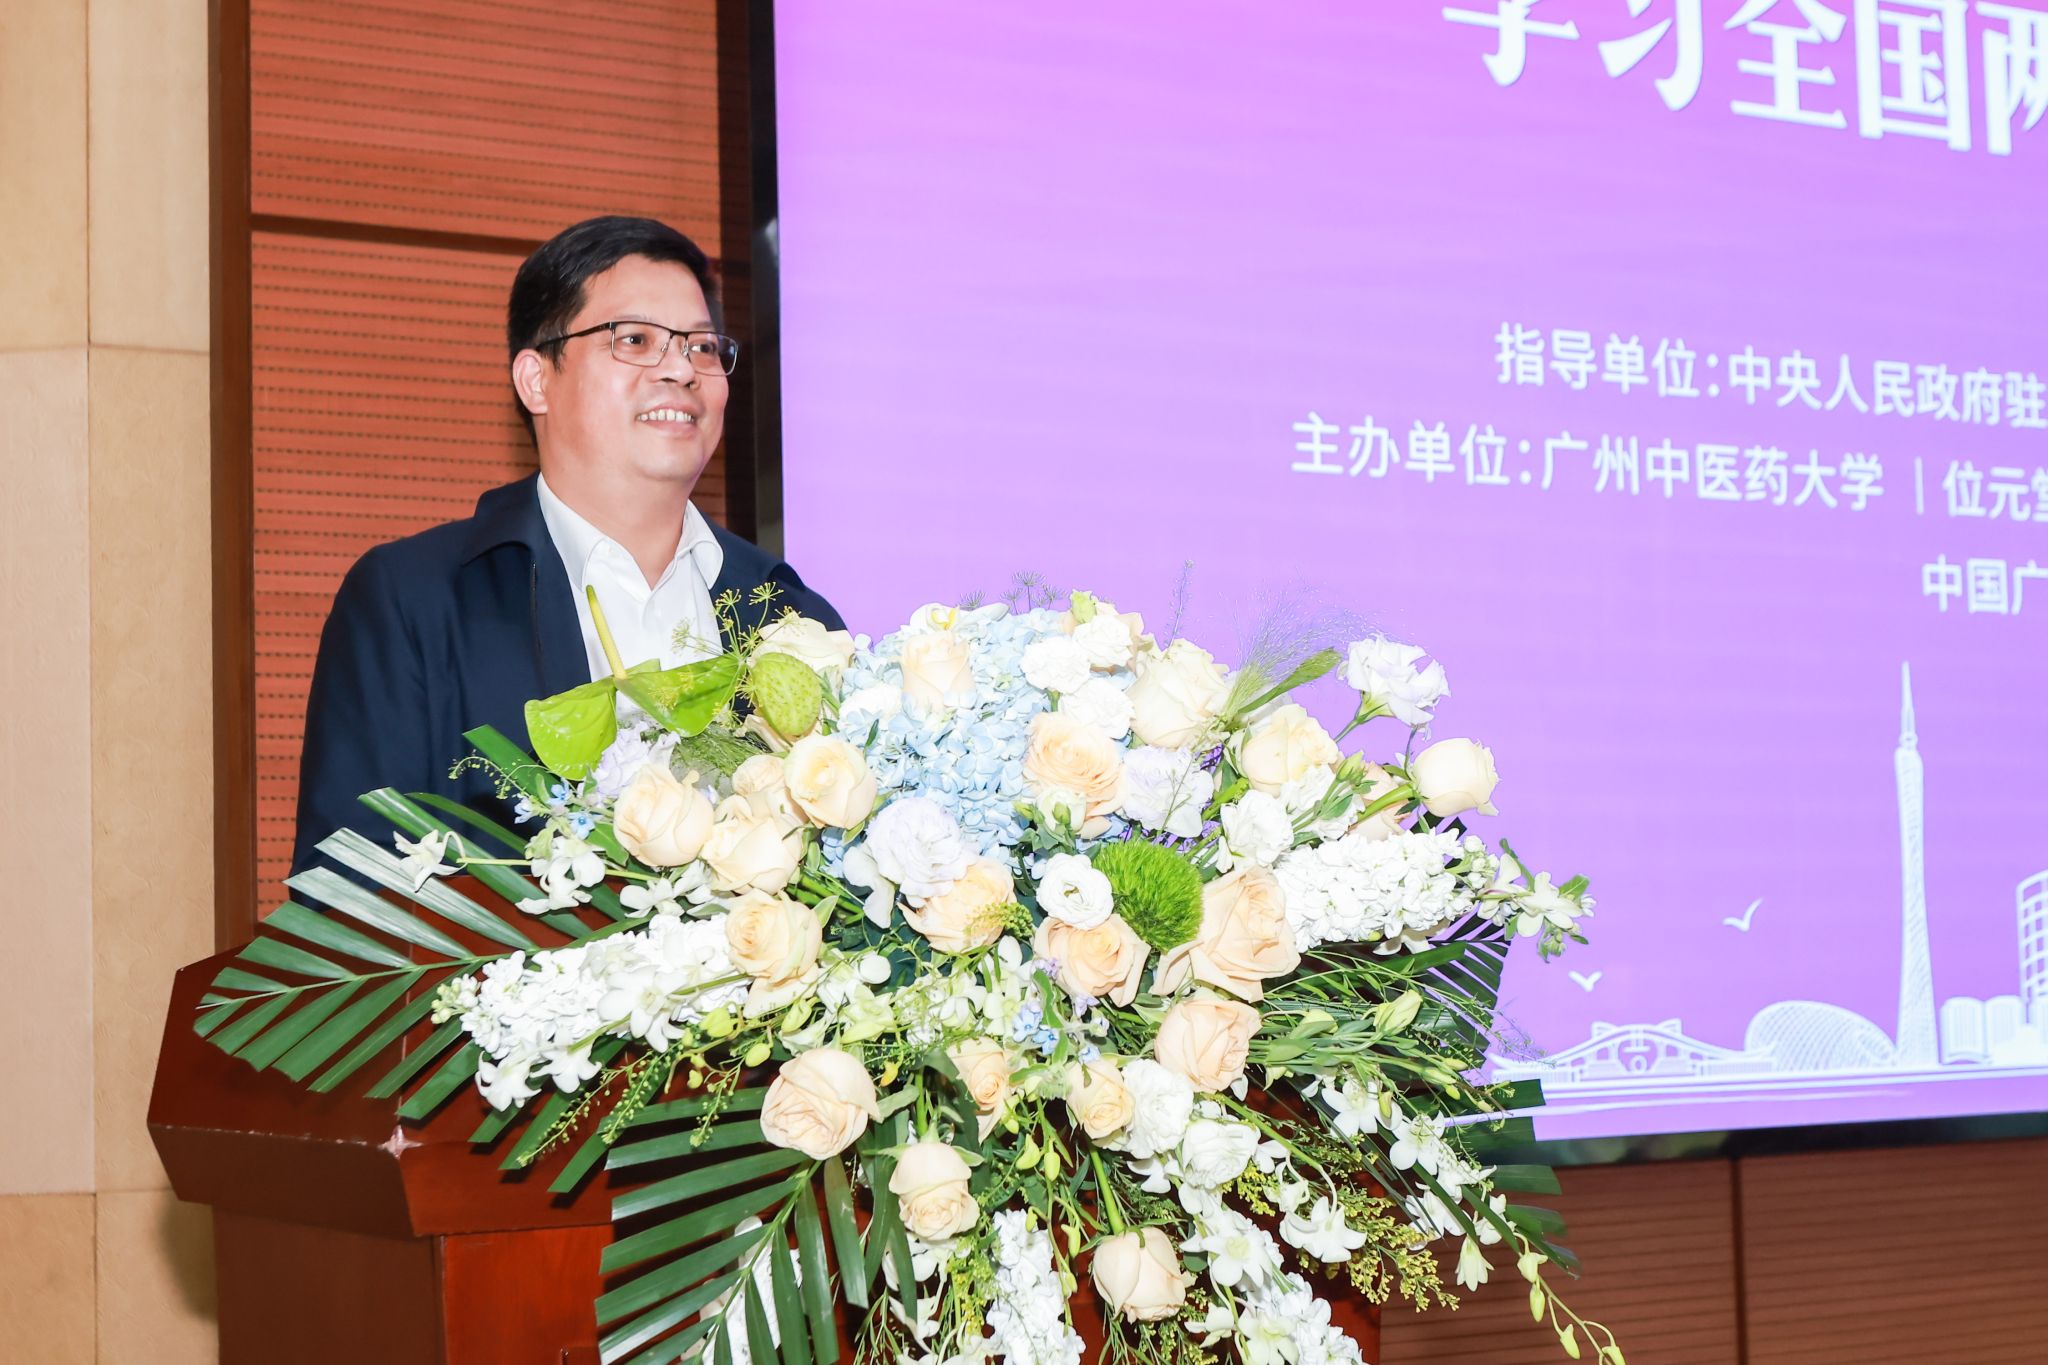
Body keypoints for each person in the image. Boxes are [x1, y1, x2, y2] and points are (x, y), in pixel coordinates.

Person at [291, 216, 842, 875]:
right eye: (635, 340)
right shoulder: (414, 601)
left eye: (702, 347)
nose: (681, 370)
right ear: (537, 380)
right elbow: (347, 893)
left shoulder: (789, 614)